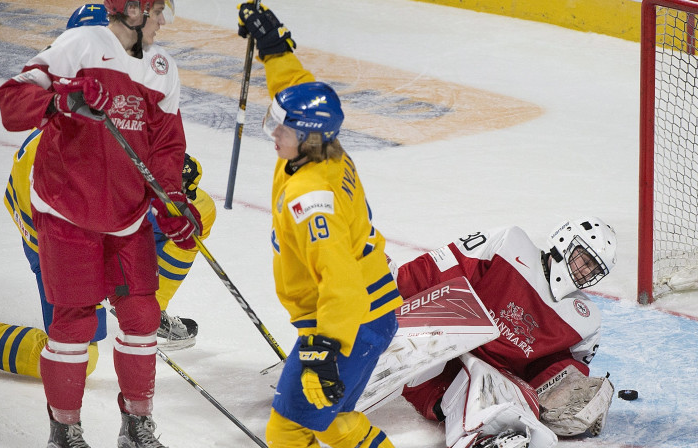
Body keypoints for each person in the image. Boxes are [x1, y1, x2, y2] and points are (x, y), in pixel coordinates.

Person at [0, 2, 213, 375]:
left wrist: (174, 183)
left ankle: (143, 305)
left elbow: (150, 148)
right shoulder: (48, 144)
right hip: (58, 238)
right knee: (81, 360)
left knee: (197, 208)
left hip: (107, 215)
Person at [0, 0, 194, 446]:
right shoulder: (80, 44)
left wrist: (171, 200)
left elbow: (165, 146)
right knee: (75, 325)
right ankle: (65, 430)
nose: (164, 20)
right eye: (159, 10)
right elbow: (11, 103)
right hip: (68, 209)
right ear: (135, 11)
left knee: (143, 315)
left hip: (125, 215)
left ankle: (136, 425)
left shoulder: (164, 68)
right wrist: (63, 98)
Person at [237, 3, 403, 447]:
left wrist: (325, 350)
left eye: (282, 129)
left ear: (307, 136)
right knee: (327, 419)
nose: (273, 133)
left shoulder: (312, 202)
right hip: (364, 314)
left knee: (289, 429)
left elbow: (341, 279)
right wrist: (273, 48)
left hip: (351, 320)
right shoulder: (317, 148)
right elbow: (299, 88)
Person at [395, 217, 618, 448]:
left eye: (594, 268)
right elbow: (437, 270)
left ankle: (489, 438)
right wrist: (391, 291)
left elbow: (550, 375)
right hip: (432, 357)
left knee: (512, 401)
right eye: (585, 258)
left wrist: (566, 391)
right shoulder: (509, 244)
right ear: (565, 240)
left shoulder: (585, 320)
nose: (585, 271)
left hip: (477, 392)